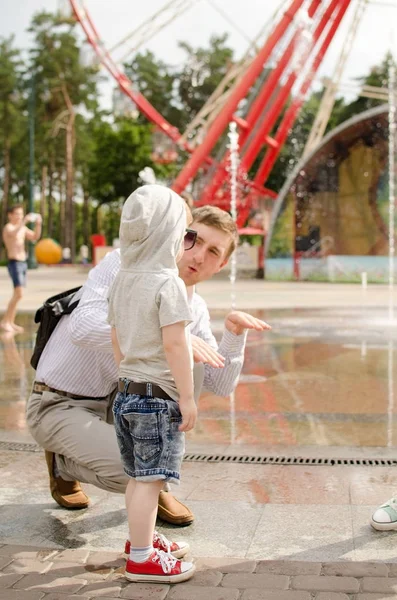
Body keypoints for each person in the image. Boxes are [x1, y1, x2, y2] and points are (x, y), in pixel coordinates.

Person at [26, 200, 270, 526]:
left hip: (119, 404)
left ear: (223, 264)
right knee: (133, 476)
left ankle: (155, 476)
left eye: (213, 252)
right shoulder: (122, 264)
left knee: (190, 364)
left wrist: (234, 334)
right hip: (57, 402)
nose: (198, 254)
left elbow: (220, 383)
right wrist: (174, 341)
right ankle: (64, 464)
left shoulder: (194, 307)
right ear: (177, 236)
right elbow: (84, 329)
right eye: (193, 239)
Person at [109, 185, 197, 583]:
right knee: (150, 481)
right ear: (171, 235)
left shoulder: (122, 279)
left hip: (126, 391)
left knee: (137, 478)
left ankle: (137, 541)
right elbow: (176, 343)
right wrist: (189, 398)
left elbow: (116, 337)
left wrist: (127, 373)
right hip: (156, 399)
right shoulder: (168, 282)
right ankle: (142, 559)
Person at [1, 205, 42, 333]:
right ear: (10, 215)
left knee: (18, 295)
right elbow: (14, 233)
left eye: (21, 214)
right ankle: (5, 321)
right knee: (18, 294)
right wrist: (24, 221)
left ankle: (10, 322)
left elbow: (35, 236)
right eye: (17, 214)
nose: (19, 216)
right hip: (14, 263)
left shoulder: (22, 229)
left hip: (23, 263)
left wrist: (38, 224)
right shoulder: (9, 227)